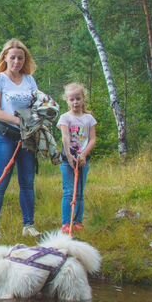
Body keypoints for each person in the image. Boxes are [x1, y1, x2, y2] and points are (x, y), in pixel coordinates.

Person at [0, 39, 40, 242]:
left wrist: (39, 118)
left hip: (28, 138)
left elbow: (37, 104)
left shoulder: (29, 80)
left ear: (25, 59)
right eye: (13, 57)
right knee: (0, 183)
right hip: (6, 137)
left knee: (27, 182)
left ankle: (29, 225)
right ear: (5, 58)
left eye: (20, 57)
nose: (17, 61)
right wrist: (19, 120)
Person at [57, 82, 97, 233]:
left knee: (80, 191)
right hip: (68, 161)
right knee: (69, 191)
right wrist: (70, 156)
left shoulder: (89, 119)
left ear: (83, 99)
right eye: (72, 99)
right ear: (67, 100)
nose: (75, 102)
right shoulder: (64, 118)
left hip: (83, 160)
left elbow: (93, 139)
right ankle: (66, 223)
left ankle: (78, 221)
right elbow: (65, 138)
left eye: (78, 99)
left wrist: (83, 155)